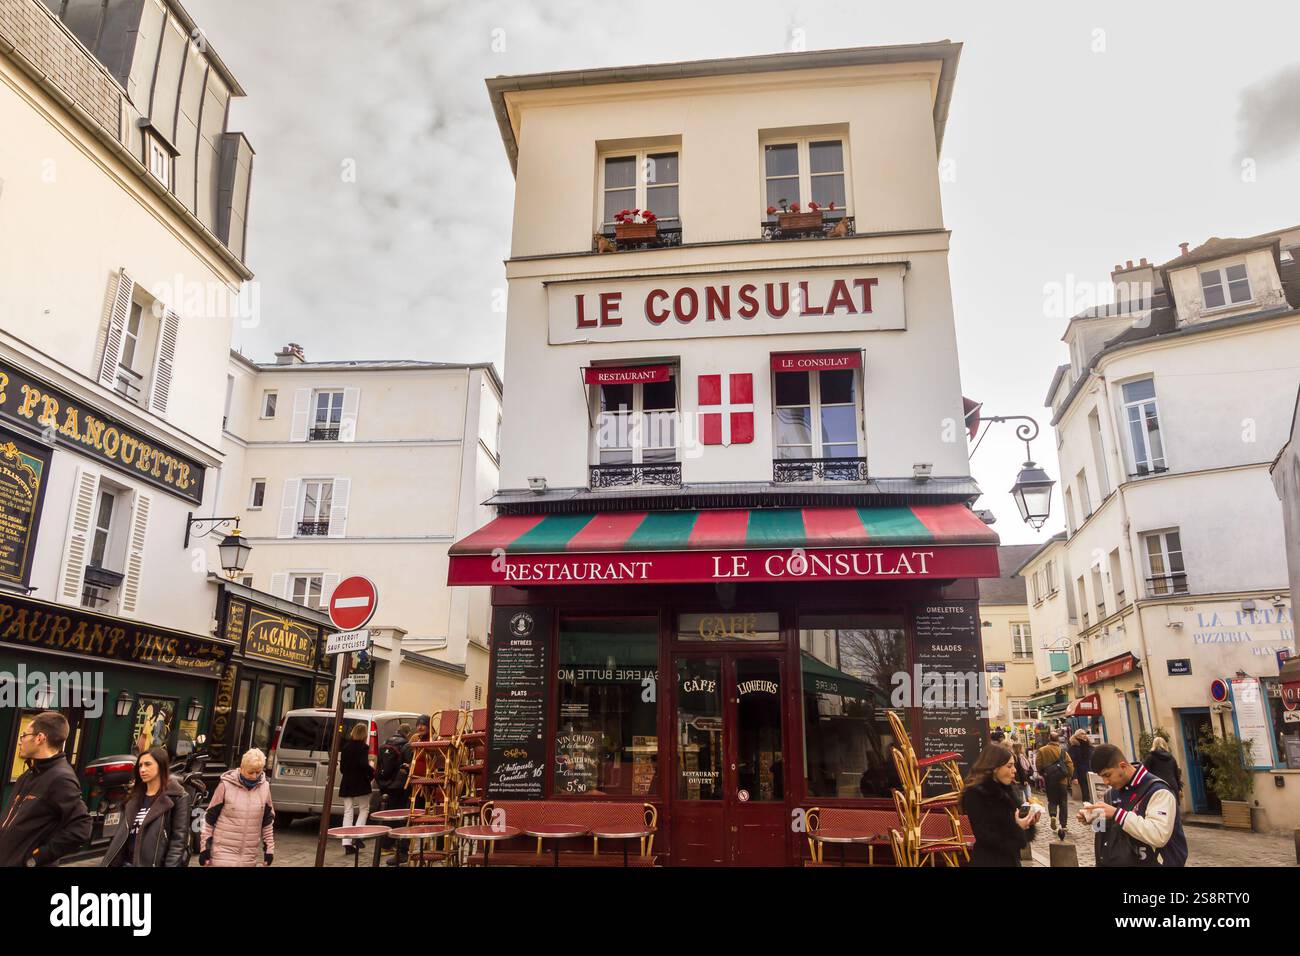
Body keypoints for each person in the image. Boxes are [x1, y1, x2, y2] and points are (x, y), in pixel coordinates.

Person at [0, 711, 91, 867]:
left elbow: (81, 828)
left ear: (40, 738)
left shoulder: (61, 779)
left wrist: (35, 859)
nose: (20, 741)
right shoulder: (29, 774)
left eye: (24, 736)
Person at [1080, 744, 1187, 867]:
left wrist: (1117, 814)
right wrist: (1092, 817)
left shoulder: (1158, 791)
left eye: (1107, 775)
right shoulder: (1111, 794)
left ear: (1123, 766)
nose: (1105, 782)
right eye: (1101, 777)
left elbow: (1158, 836)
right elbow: (1102, 836)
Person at [100, 746, 189, 867]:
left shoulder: (177, 797)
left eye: (148, 764)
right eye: (140, 765)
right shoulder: (133, 797)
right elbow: (121, 837)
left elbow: (178, 842)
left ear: (161, 766)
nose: (142, 769)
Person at [960, 744, 1038, 867]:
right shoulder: (976, 793)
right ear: (994, 768)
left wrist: (1029, 821)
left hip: (1011, 860)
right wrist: (1017, 827)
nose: (1015, 770)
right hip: (988, 861)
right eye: (1009, 766)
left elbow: (1022, 837)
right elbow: (985, 835)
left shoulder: (1008, 790)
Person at [199, 748, 275, 867]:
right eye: (250, 772)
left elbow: (267, 823)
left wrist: (269, 850)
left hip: (248, 857)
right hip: (222, 854)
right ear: (242, 767)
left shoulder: (265, 788)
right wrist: (204, 849)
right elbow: (209, 820)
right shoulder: (225, 785)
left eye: (258, 772)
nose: (254, 776)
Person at [339, 722, 375, 854]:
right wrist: (372, 770)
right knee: (364, 809)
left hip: (347, 783)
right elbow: (363, 765)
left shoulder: (346, 747)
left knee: (348, 812)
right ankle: (357, 836)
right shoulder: (363, 747)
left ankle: (346, 842)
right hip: (360, 783)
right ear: (364, 734)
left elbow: (342, 768)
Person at [1035, 732, 1074, 841]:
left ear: (1049, 738)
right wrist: (1069, 777)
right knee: (1063, 802)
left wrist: (1044, 774)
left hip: (1050, 781)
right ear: (1058, 740)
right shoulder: (1062, 751)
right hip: (1062, 781)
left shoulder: (1042, 750)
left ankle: (1052, 815)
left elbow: (1038, 764)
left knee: (1051, 800)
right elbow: (1070, 765)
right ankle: (1063, 824)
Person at [1068, 730, 1094, 802]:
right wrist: (1074, 777)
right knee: (1085, 792)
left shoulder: (1090, 747)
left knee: (1094, 792)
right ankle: (1087, 807)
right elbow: (1072, 764)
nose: (1084, 735)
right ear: (1077, 736)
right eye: (1082, 734)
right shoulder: (1073, 748)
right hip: (1081, 773)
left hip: (1092, 772)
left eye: (1085, 734)